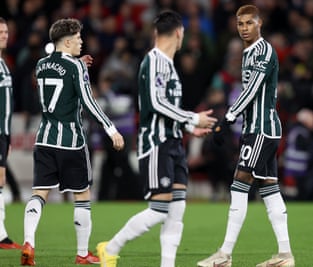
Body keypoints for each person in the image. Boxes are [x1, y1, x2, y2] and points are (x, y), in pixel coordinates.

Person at [96, 10, 216, 267]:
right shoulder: (153, 61)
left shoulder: (169, 65)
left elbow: (167, 108)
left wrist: (186, 127)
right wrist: (192, 118)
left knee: (178, 209)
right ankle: (110, 247)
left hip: (174, 144)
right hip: (156, 145)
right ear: (178, 33)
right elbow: (155, 102)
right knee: (159, 210)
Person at [20, 18, 125, 266]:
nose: (81, 41)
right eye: (78, 38)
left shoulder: (41, 64)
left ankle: (28, 243)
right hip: (71, 140)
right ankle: (81, 253)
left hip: (44, 137)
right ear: (67, 41)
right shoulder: (76, 68)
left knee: (39, 194)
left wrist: (78, 65)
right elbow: (89, 102)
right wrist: (111, 129)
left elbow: (62, 71)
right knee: (82, 195)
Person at [197, 5, 294, 267]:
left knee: (239, 183)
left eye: (249, 23)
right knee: (270, 189)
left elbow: (252, 89)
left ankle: (224, 254)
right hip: (257, 129)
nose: (244, 28)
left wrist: (228, 118)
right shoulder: (248, 52)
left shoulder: (263, 50)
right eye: (240, 24)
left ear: (259, 24)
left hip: (262, 129)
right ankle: (285, 255)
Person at [0, 16, 21, 250]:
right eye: (0, 32)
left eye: (5, 32)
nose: (4, 35)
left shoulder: (3, 63)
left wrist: (6, 136)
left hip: (2, 133)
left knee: (1, 179)